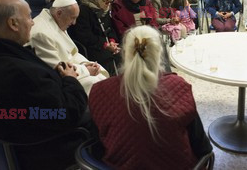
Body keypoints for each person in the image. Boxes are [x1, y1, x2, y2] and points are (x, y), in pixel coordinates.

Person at [0, 0, 90, 170]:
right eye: (29, 16)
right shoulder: (18, 73)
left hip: (2, 141)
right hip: (41, 150)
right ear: (13, 24)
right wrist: (69, 80)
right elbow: (65, 114)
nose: (33, 22)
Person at [88, 25, 212, 169]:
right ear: (160, 54)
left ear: (125, 54)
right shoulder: (179, 86)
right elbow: (202, 146)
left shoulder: (99, 91)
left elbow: (97, 146)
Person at [30, 0, 108, 94]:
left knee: (101, 75)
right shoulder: (41, 34)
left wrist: (85, 63)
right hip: (59, 81)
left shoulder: (56, 20)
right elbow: (58, 69)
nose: (74, 23)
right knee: (97, 83)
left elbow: (72, 53)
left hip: (72, 69)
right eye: (72, 18)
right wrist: (86, 70)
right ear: (59, 13)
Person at [68, 0, 121, 76]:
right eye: (105, 1)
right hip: (91, 46)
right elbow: (84, 36)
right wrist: (105, 45)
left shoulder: (104, 9)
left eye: (110, 2)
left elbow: (111, 28)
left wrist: (112, 41)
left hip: (104, 43)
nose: (108, 4)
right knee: (109, 58)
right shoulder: (83, 10)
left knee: (121, 53)